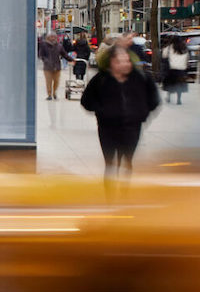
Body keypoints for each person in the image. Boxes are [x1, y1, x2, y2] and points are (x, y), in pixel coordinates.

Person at [81, 46, 160, 197]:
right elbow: (86, 100)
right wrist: (102, 111)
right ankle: (110, 195)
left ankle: (124, 193)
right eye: (119, 61)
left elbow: (154, 99)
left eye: (126, 61)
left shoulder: (140, 78)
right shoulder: (101, 79)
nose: (124, 64)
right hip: (107, 129)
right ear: (111, 63)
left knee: (127, 162)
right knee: (110, 164)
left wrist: (141, 114)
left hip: (132, 128)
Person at [37, 33, 71, 100]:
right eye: (51, 37)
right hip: (47, 67)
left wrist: (71, 60)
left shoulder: (59, 46)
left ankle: (54, 92)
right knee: (48, 81)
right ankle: (49, 94)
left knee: (56, 81)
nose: (52, 38)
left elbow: (64, 54)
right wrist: (46, 60)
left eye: (54, 37)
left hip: (57, 67)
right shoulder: (44, 45)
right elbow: (40, 55)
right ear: (48, 38)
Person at [162, 34, 189, 105]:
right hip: (181, 70)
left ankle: (169, 97)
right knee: (179, 84)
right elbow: (187, 58)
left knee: (170, 84)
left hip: (172, 69)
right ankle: (178, 99)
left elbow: (164, 55)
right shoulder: (184, 48)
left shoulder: (169, 48)